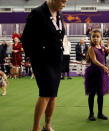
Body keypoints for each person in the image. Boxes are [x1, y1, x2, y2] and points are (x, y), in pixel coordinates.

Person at [21, 0, 67, 131]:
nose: (64, 4)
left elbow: (59, 34)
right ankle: (35, 128)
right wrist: (31, 56)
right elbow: (26, 38)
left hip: (56, 59)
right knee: (45, 93)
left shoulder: (59, 13)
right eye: (62, 1)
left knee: (53, 95)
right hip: (42, 61)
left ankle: (47, 125)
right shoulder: (37, 13)